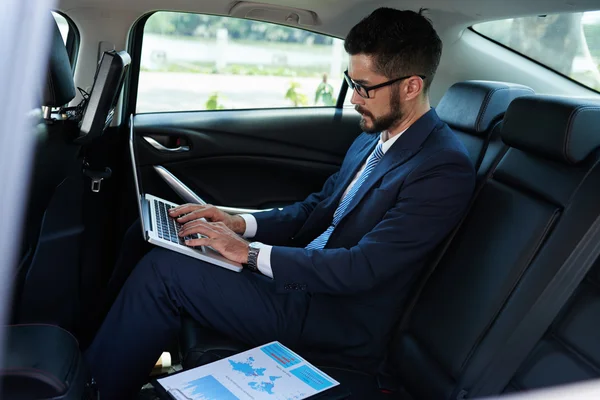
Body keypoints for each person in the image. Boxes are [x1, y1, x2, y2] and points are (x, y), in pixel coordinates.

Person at [85, 7, 476, 399]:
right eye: (350, 82)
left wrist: (250, 255)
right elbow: (317, 209)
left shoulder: (441, 169)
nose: (355, 98)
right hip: (300, 281)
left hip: (333, 316)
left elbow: (363, 267)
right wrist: (238, 224)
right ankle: (88, 360)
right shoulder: (377, 137)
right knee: (154, 232)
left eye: (365, 87)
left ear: (410, 87)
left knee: (164, 273)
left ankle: (93, 392)